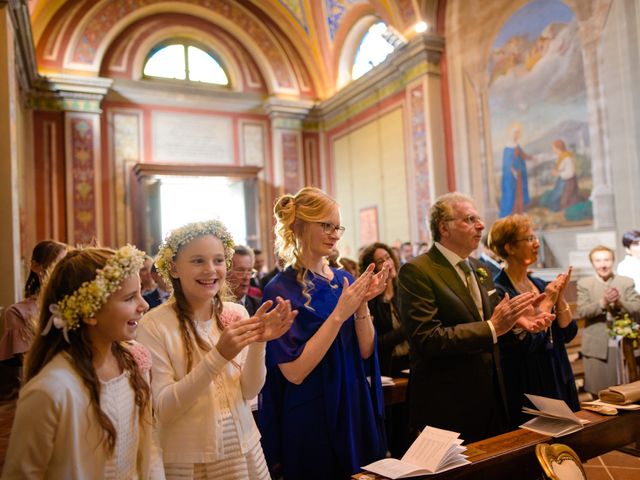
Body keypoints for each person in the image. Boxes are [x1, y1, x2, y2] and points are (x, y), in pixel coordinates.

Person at [137, 220, 296, 479]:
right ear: (174, 268)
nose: (211, 270)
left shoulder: (236, 313)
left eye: (219, 260)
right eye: (198, 261)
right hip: (190, 460)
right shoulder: (154, 325)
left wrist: (259, 342)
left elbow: (250, 390)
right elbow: (163, 408)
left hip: (243, 448)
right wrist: (218, 356)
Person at [258, 187, 388, 479]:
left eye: (337, 226)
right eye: (325, 225)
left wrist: (362, 303)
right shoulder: (280, 289)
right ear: (300, 226)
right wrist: (340, 312)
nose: (335, 234)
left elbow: (366, 350)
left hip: (353, 400)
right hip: (313, 410)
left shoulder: (344, 278)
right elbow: (294, 372)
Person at [2, 245, 162, 479]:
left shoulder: (134, 361)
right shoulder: (52, 391)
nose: (144, 305)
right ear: (90, 312)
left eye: (139, 293)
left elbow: (149, 445)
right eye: (129, 298)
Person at [398, 192, 545, 442]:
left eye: (479, 219)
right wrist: (492, 327)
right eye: (470, 219)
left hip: (492, 399)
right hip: (449, 402)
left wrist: (519, 326)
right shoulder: (417, 270)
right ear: (444, 227)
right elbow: (427, 338)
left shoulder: (481, 268)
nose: (481, 225)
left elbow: (495, 331)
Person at [488, 214, 579, 426]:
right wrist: (548, 302)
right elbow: (523, 343)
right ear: (510, 248)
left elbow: (568, 333)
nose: (536, 243)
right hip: (528, 378)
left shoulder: (538, 282)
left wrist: (560, 297)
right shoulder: (500, 291)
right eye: (528, 239)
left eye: (535, 237)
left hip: (556, 370)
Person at [359, 242, 411, 457]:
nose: (387, 262)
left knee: (413, 422)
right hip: (389, 368)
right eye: (380, 260)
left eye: (388, 257)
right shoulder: (371, 301)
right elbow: (375, 343)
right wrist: (406, 330)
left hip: (412, 362)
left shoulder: (404, 291)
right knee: (396, 425)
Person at [577, 245, 640, 395]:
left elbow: (637, 306)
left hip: (625, 344)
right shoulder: (585, 284)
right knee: (599, 392)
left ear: (613, 261)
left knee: (629, 391)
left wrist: (620, 303)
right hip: (597, 345)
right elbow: (582, 311)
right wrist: (602, 303)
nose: (603, 264)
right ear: (592, 263)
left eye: (607, 260)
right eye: (598, 261)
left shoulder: (626, 282)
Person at [0, 240, 67, 366]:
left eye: (66, 266)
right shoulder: (17, 313)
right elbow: (30, 364)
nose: (62, 271)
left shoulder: (74, 305)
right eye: (57, 264)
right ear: (35, 266)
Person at [499, 123, 532, 217]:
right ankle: (511, 213)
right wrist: (513, 172)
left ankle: (519, 211)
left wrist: (534, 158)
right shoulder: (507, 147)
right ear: (511, 133)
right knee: (511, 194)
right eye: (515, 132)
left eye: (518, 133)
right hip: (511, 176)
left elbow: (523, 156)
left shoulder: (517, 146)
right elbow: (507, 164)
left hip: (519, 175)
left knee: (520, 193)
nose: (516, 135)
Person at [544, 140, 581, 212]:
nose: (553, 150)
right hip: (562, 181)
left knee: (560, 199)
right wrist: (557, 172)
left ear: (558, 148)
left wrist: (558, 174)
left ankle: (559, 212)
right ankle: (555, 211)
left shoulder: (567, 158)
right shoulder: (561, 156)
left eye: (553, 148)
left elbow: (570, 173)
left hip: (568, 182)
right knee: (553, 198)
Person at [228, 245, 262, 316]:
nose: (246, 277)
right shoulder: (214, 307)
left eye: (249, 271)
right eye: (240, 271)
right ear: (226, 272)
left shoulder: (259, 306)